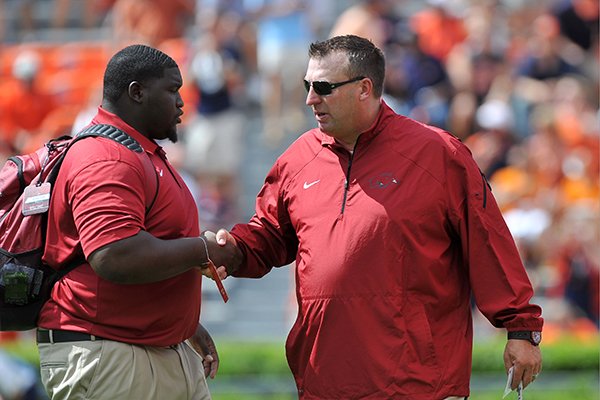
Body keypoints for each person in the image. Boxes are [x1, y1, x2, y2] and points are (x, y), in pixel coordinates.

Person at [211, 35, 543, 399]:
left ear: (364, 89)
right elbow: (270, 236)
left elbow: (488, 243)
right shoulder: (297, 159)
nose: (310, 99)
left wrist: (521, 329)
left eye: (323, 87)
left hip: (420, 384)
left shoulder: (437, 154)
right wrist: (232, 249)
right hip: (325, 382)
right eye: (307, 85)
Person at [36, 44, 240, 400]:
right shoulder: (105, 156)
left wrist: (184, 322)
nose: (181, 102)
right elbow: (114, 255)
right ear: (137, 92)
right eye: (172, 90)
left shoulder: (136, 151)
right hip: (110, 352)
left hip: (146, 347)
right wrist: (202, 250)